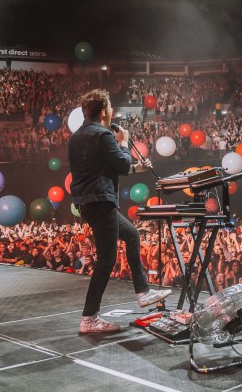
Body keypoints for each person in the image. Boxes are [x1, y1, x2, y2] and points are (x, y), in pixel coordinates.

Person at [68, 89, 171, 334]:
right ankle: (89, 318)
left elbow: (109, 167)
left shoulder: (78, 136)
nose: (113, 111)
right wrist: (123, 141)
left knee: (132, 235)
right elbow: (122, 164)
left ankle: (143, 293)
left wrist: (136, 167)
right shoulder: (104, 134)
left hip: (88, 201)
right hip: (102, 201)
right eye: (111, 106)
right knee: (106, 260)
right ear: (104, 111)